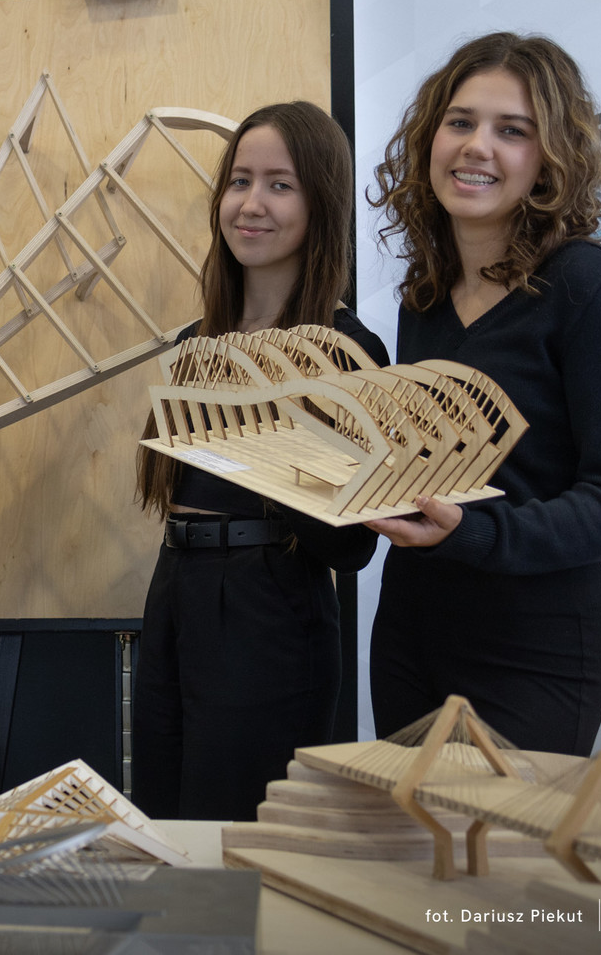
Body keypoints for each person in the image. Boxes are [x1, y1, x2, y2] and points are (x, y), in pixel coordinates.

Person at [366, 33, 601, 754]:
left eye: (512, 131)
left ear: (549, 160)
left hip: (535, 647)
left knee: (501, 834)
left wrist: (477, 532)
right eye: (460, 122)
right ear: (430, 137)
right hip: (410, 630)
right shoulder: (424, 299)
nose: (477, 146)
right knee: (407, 832)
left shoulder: (590, 290)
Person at [132, 102, 390, 821]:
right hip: (174, 589)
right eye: (239, 181)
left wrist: (282, 434)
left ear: (321, 204)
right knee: (164, 820)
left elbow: (352, 548)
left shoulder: (348, 348)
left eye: (281, 185)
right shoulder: (194, 342)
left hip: (270, 606)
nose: (251, 204)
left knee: (240, 833)